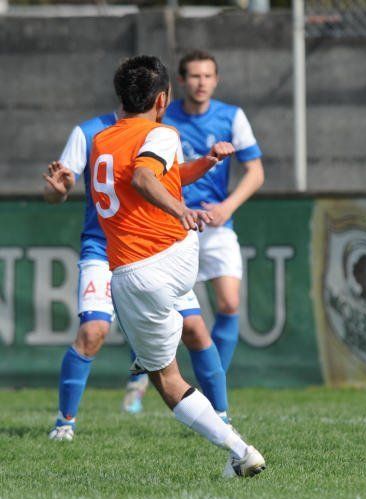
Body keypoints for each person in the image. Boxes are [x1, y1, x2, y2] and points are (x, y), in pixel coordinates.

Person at [87, 55, 264, 476]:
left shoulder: (103, 140)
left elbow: (144, 179)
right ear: (163, 99)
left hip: (141, 269)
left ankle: (239, 451)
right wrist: (204, 166)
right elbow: (157, 176)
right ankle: (158, 345)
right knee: (193, 327)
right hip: (177, 256)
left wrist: (180, 209)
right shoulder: (161, 134)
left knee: (167, 380)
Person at [44, 114, 233, 440]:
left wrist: (206, 161)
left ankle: (222, 418)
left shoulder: (160, 132)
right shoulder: (89, 133)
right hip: (103, 247)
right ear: (159, 97)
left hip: (150, 250)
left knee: (194, 328)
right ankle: (64, 423)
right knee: (93, 331)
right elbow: (56, 189)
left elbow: (172, 176)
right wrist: (57, 192)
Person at [161, 50, 265, 374]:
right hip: (173, 226)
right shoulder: (163, 118)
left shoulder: (231, 117)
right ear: (181, 81)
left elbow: (256, 172)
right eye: (195, 76)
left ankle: (214, 385)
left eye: (207, 76)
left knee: (230, 303)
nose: (201, 82)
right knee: (164, 312)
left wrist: (226, 207)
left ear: (216, 80)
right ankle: (144, 375)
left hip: (215, 225)